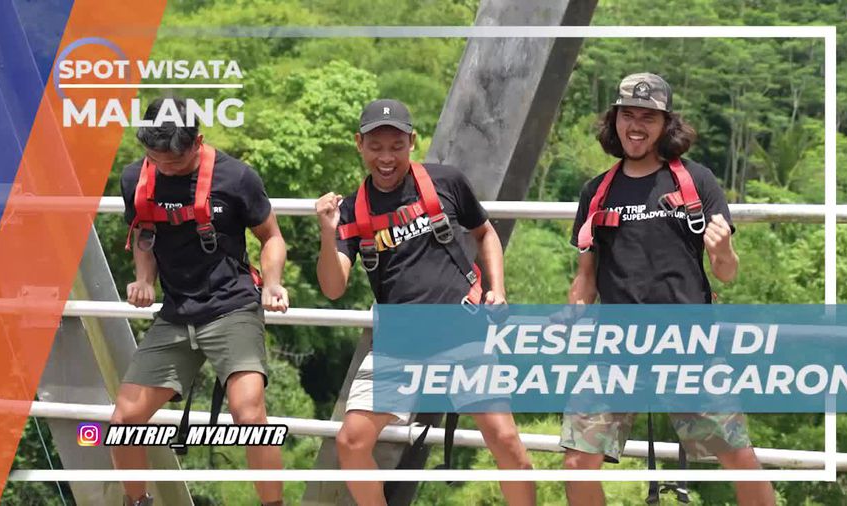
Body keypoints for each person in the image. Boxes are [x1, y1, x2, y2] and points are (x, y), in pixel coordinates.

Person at [561, 74, 776, 505]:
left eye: (647, 117)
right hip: (613, 345)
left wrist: (724, 249)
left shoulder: (696, 183)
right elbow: (586, 273)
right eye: (627, 115)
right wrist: (577, 310)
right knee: (577, 462)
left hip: (687, 342)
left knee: (737, 458)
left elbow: (726, 273)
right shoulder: (596, 193)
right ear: (614, 120)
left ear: (665, 124)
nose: (635, 126)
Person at [314, 99, 535, 506]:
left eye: (396, 145)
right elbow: (332, 287)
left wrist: (496, 289)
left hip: (462, 330)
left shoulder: (446, 181)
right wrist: (329, 235)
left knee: (506, 442)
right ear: (359, 145)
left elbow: (485, 233)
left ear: (412, 142)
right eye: (376, 146)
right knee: (351, 441)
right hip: (400, 341)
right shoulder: (350, 209)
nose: (386, 157)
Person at [110, 98, 288, 506]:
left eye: (173, 160)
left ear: (198, 141)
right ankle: (137, 501)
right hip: (175, 313)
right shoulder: (136, 177)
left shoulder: (236, 177)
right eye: (155, 158)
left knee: (248, 416)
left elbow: (272, 236)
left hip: (232, 306)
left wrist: (273, 284)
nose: (165, 168)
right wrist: (143, 278)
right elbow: (144, 232)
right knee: (124, 420)